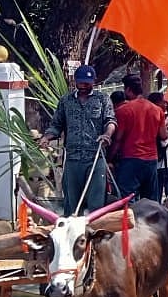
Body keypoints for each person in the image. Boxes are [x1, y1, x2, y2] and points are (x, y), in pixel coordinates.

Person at [40, 65, 116, 216]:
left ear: (94, 82)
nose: (83, 86)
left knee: (96, 201)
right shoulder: (66, 101)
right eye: (80, 83)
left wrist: (107, 134)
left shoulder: (103, 99)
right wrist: (46, 137)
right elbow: (56, 125)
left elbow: (110, 121)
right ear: (75, 81)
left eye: (86, 83)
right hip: (73, 158)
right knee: (72, 202)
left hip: (95, 156)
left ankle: (95, 234)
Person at [109, 74, 167, 201]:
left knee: (126, 201)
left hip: (131, 160)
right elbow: (164, 136)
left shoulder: (123, 111)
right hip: (151, 161)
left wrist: (110, 158)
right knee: (150, 202)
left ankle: (131, 221)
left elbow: (118, 139)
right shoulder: (157, 110)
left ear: (128, 90)